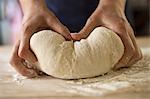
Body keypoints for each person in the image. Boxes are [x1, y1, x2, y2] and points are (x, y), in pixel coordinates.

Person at [10, 0, 142, 78]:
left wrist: (113, 4)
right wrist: (33, 7)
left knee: (116, 36)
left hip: (109, 17)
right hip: (45, 16)